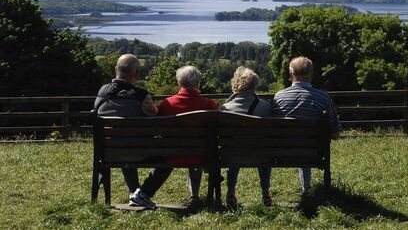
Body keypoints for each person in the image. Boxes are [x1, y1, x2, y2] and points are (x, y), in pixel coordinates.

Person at [129, 66, 218, 209]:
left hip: (172, 156)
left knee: (166, 154)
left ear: (179, 83)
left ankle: (143, 193)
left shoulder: (167, 104)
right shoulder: (209, 105)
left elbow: (159, 129)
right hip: (202, 156)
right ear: (198, 83)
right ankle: (213, 198)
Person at [272, 56, 341, 193]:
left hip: (281, 152)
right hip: (313, 152)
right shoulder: (323, 97)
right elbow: (335, 134)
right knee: (304, 144)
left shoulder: (279, 97)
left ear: (291, 74)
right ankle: (307, 190)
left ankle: (270, 193)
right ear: (311, 74)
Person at [94, 54, 157, 198]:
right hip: (141, 153)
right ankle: (142, 194)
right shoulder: (141, 96)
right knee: (166, 154)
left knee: (122, 144)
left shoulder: (102, 92)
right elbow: (157, 118)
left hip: (107, 153)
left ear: (116, 69)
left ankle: (134, 192)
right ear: (136, 73)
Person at [219, 66, 273, 207]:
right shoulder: (265, 107)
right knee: (264, 155)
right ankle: (266, 194)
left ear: (235, 85)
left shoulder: (225, 109)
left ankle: (230, 193)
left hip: (232, 156)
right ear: (254, 85)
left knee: (234, 150)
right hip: (260, 155)